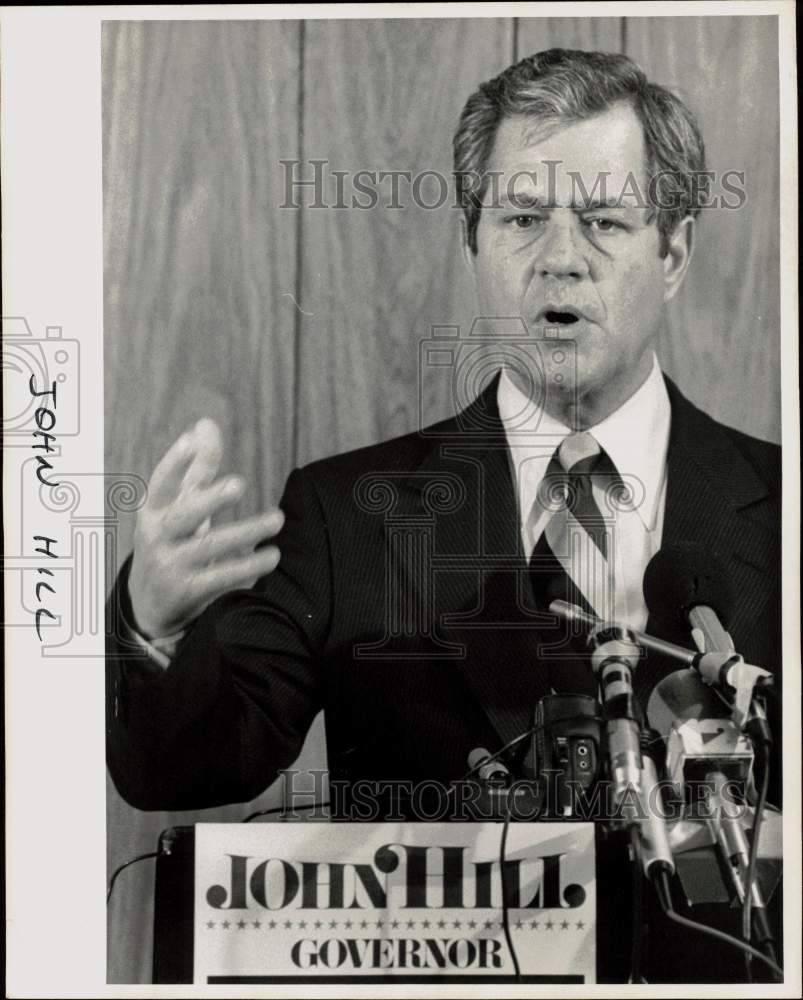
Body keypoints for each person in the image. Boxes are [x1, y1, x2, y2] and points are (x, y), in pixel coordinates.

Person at [106, 48, 781, 816]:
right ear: (471, 243)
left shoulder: (785, 510)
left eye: (602, 222)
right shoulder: (345, 516)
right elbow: (178, 770)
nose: (560, 260)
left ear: (672, 253)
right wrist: (149, 624)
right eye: (522, 219)